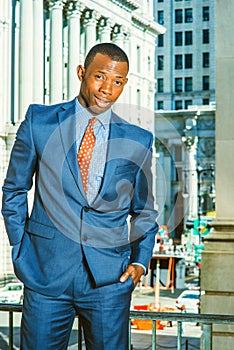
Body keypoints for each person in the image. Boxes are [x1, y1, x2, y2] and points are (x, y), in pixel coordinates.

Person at [2, 42, 158, 349]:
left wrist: (139, 263)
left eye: (117, 82)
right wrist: (21, 247)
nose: (107, 89)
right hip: (45, 275)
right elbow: (14, 189)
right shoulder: (40, 122)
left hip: (109, 281)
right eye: (100, 76)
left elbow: (145, 210)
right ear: (81, 73)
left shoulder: (138, 140)